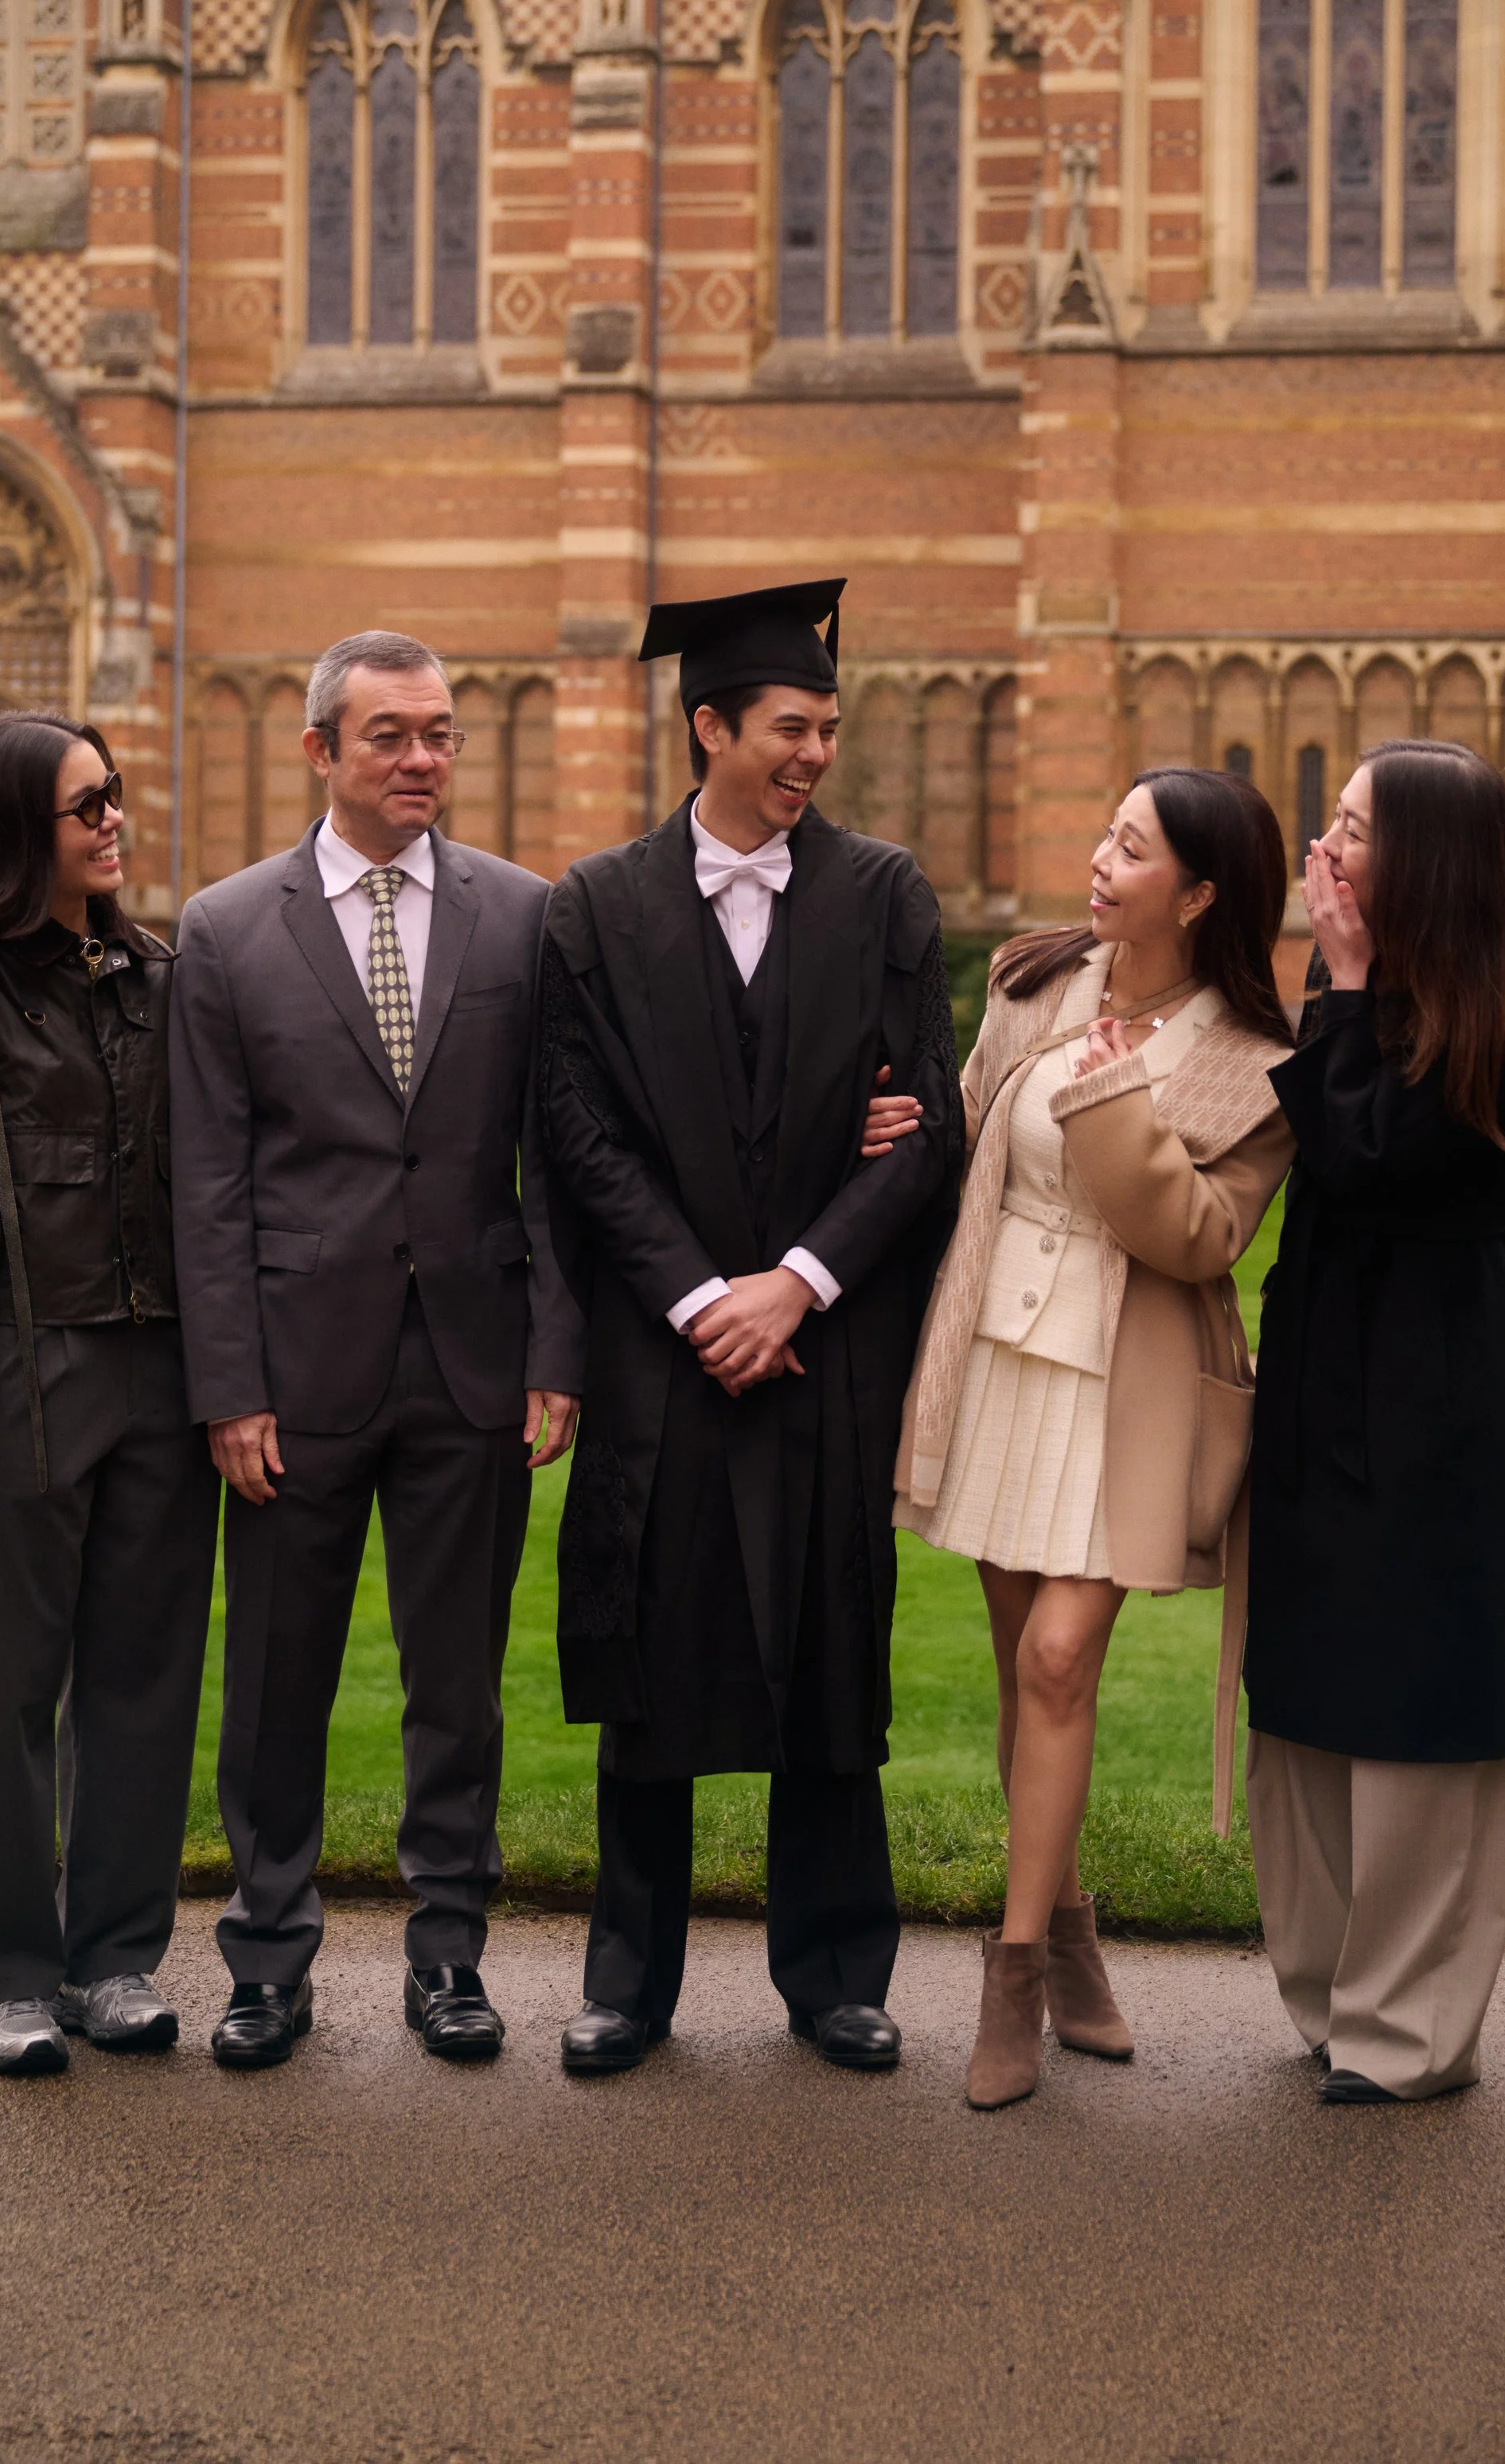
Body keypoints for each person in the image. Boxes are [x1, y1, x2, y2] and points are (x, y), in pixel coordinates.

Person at [539, 579, 964, 2076]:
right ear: (709, 725)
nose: (814, 756)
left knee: (832, 1653)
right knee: (652, 1658)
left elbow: (931, 1131)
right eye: (792, 726)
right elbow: (576, 1135)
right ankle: (628, 1984)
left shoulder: (885, 895)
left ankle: (838, 1970)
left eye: (830, 730)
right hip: (669, 1352)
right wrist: (703, 1291)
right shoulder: (596, 907)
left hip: (822, 1348)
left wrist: (797, 1279)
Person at [170, 632, 583, 2071]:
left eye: (441, 734)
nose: (423, 759)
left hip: (475, 1368)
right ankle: (268, 1961)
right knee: (279, 1681)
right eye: (392, 735)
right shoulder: (223, 931)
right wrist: (228, 1385)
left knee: (457, 1684)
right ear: (321, 752)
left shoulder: (525, 918)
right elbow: (206, 1182)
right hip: (294, 1379)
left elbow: (556, 1158)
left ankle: (450, 1956)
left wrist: (555, 1349)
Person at [892, 769, 1294, 2107]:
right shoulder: (1033, 986)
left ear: (1198, 891)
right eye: (1107, 836)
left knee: (1065, 1657)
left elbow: (1199, 1237)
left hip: (1128, 1387)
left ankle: (1010, 1975)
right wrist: (900, 1130)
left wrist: (1116, 1102)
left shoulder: (1255, 1057)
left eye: (1133, 848)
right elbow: (964, 1144)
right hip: (1002, 1359)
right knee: (1024, 1673)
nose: (1100, 861)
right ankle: (1067, 1934)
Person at [0, 713, 216, 2078]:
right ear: (24, 829)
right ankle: (9, 1973)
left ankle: (114, 1958)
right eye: (87, 806)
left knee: (142, 1676)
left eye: (116, 799)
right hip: (21, 1374)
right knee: (9, 1682)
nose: (114, 823)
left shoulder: (152, 969)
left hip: (161, 1368)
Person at [1245, 739, 1505, 2105]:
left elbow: (1373, 1155)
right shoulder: (1357, 981)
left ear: (1424, 857)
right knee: (1316, 1673)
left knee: (1423, 1695)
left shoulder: (1494, 1005)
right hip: (1328, 1359)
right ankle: (1329, 1994)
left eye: (1354, 824)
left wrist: (1354, 985)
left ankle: (1410, 2028)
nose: (1326, 845)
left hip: (1435, 1389)